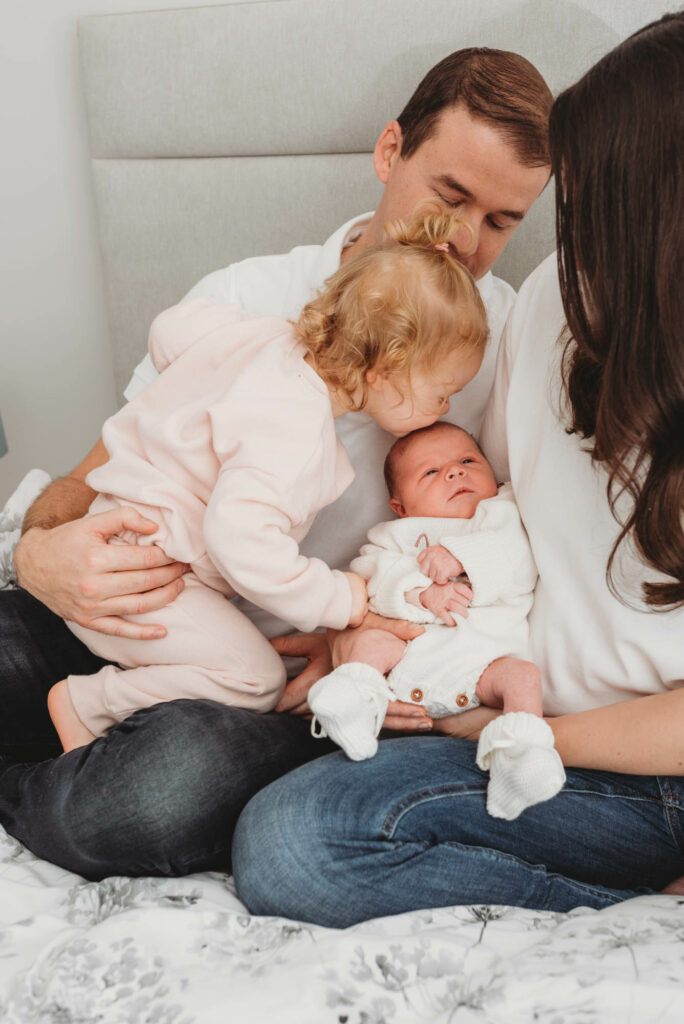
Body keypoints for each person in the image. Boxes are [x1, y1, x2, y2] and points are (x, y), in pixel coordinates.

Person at [0, 48, 552, 877]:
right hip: (145, 597)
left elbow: (524, 564)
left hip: (287, 684)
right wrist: (40, 554)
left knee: (149, 797)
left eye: (504, 221)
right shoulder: (253, 296)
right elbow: (94, 470)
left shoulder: (502, 350)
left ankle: (60, 777)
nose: (468, 242)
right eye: (451, 196)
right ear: (389, 151)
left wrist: (381, 646)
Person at [231, 13, 684, 926]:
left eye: (594, 200)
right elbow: (481, 521)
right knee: (281, 814)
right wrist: (387, 631)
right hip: (495, 710)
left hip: (642, 764)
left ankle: (640, 908)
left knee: (300, 845)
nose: (568, 230)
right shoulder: (557, 300)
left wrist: (511, 729)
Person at [47, 213, 489, 752]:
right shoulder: (296, 435)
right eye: (441, 393)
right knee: (256, 681)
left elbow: (170, 330)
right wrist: (342, 599)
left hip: (110, 531)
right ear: (385, 371)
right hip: (145, 579)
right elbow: (242, 543)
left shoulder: (261, 335)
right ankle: (91, 704)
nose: (444, 409)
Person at [307, 421, 565, 820]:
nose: (455, 471)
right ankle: (352, 706)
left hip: (482, 670)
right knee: (368, 645)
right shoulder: (393, 536)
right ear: (400, 506)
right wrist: (420, 593)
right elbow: (373, 580)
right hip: (406, 660)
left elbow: (520, 562)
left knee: (524, 678)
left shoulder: (503, 514)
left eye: (467, 460)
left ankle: (520, 759)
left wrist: (464, 557)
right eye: (431, 472)